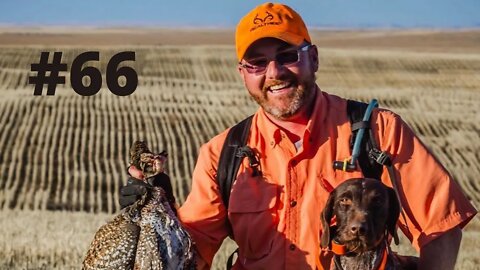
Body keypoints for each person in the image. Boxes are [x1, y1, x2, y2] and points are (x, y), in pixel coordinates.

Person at [121, 2, 477, 269]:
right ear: (243, 73)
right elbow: (190, 254)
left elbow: (440, 227)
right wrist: (156, 210)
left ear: (314, 58)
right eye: (257, 63)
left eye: (287, 55)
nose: (274, 72)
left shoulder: (378, 132)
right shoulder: (222, 153)